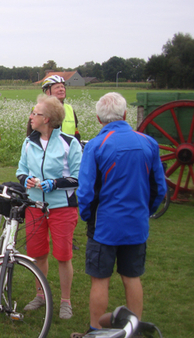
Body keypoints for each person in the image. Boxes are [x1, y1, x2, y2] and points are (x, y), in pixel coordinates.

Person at [72, 93, 166, 337]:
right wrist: (146, 212)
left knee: (100, 279)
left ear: (98, 118)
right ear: (125, 115)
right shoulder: (148, 143)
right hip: (136, 223)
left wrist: (87, 217)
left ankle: (96, 330)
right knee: (132, 277)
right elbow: (159, 188)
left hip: (104, 226)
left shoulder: (96, 145)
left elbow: (86, 191)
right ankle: (132, 328)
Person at [16, 94, 82, 319]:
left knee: (63, 256)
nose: (31, 116)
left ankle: (65, 301)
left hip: (62, 207)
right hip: (34, 205)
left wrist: (54, 184)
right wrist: (26, 180)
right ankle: (40, 295)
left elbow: (78, 177)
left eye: (36, 113)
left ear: (48, 119)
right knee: (37, 254)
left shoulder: (70, 143)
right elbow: (20, 170)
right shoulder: (28, 142)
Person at [28, 75, 81, 141]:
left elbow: (76, 132)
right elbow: (31, 134)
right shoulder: (38, 109)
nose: (61, 89)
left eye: (62, 87)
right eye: (57, 87)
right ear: (47, 92)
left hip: (68, 149)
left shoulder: (69, 109)